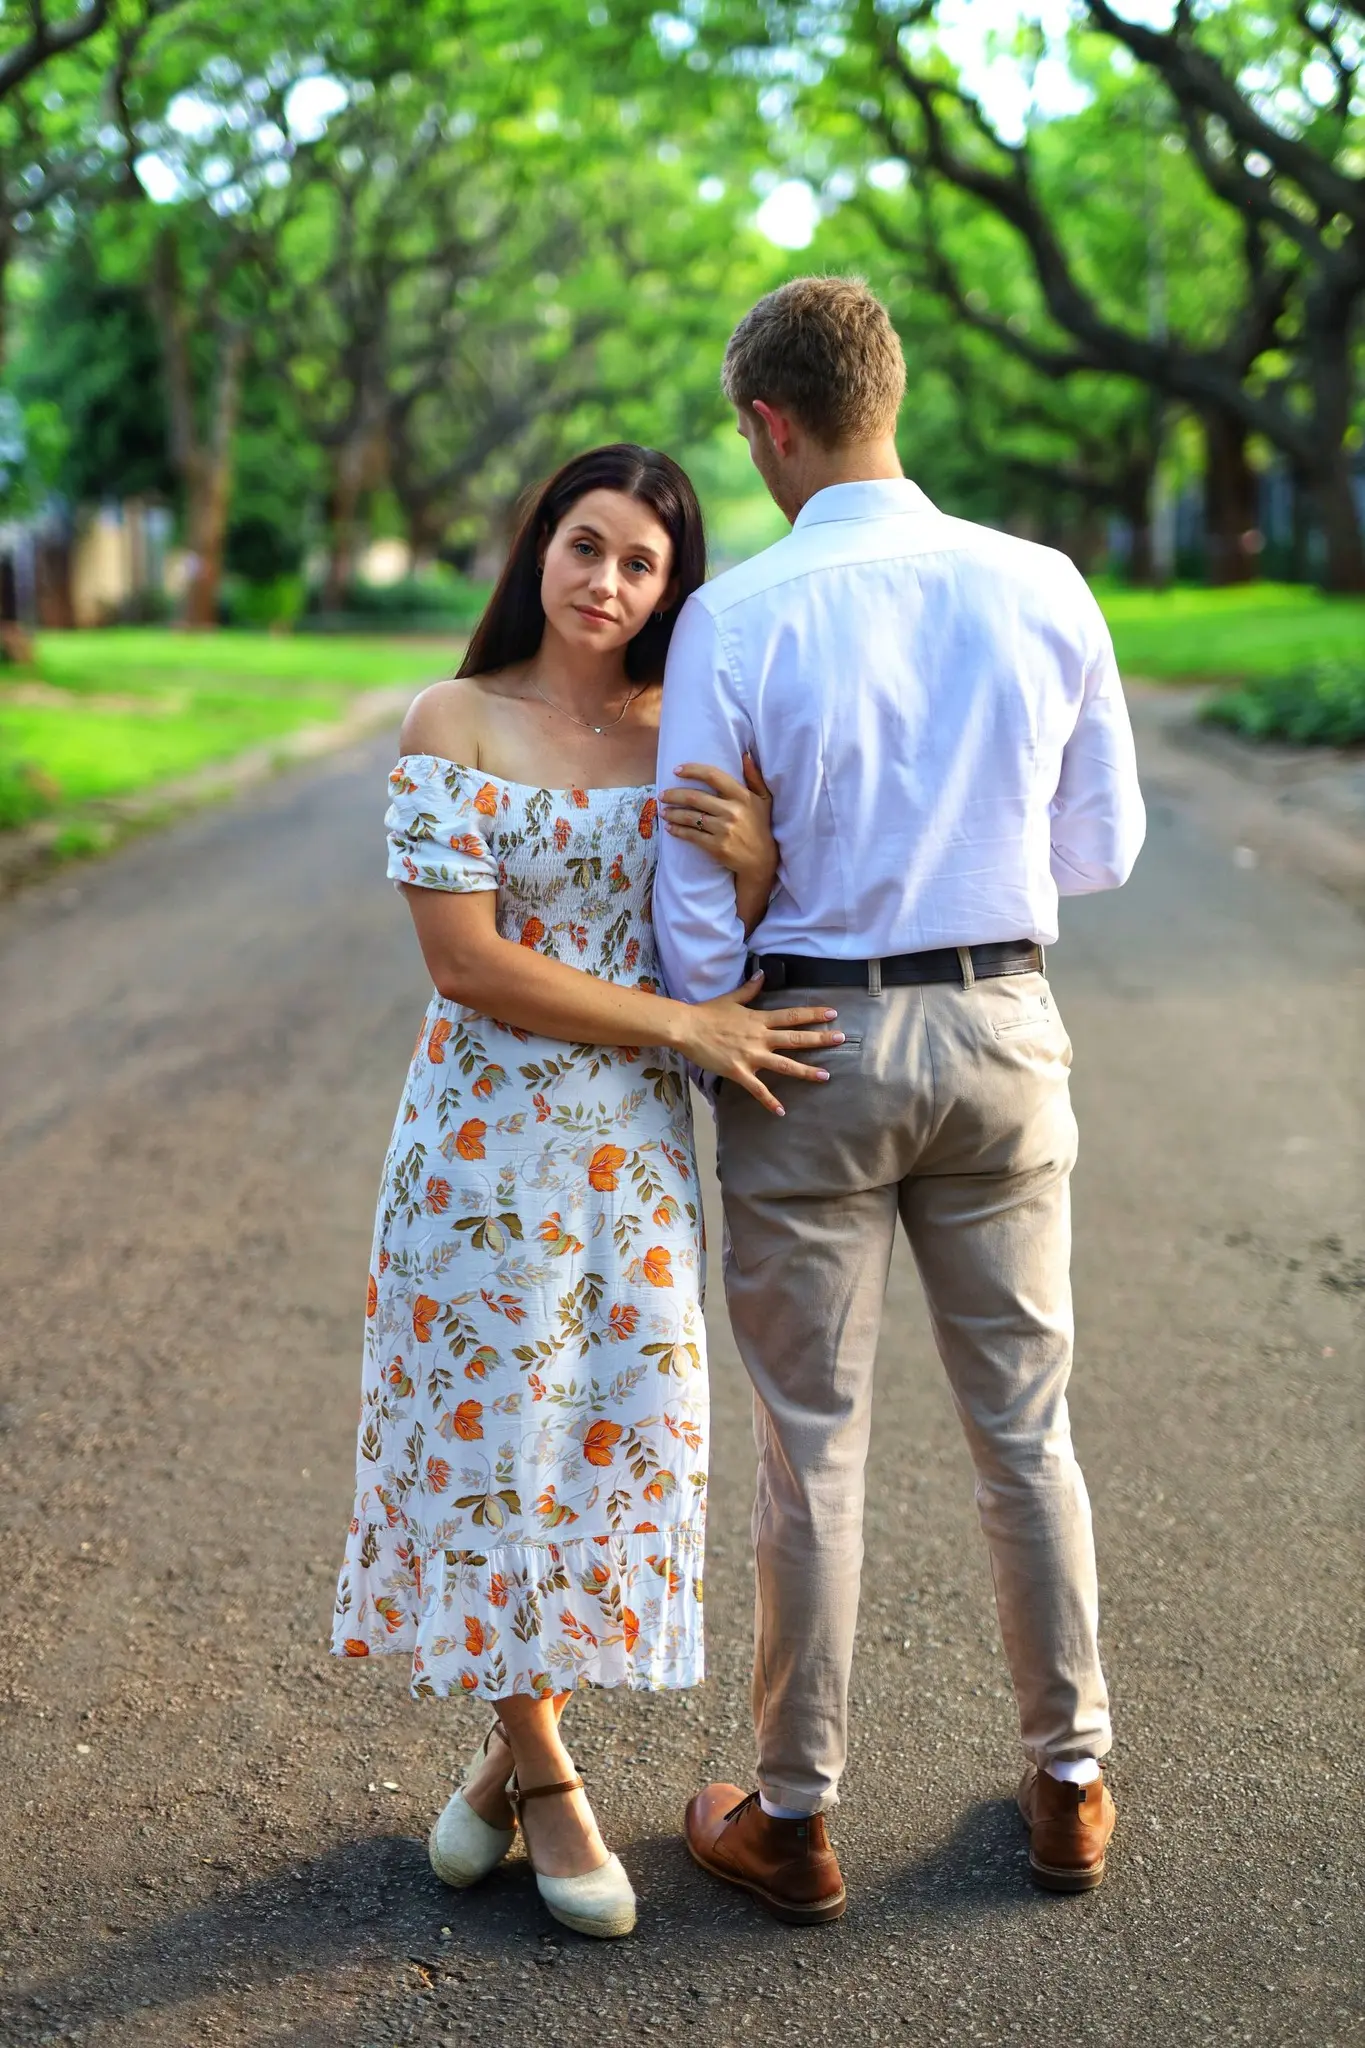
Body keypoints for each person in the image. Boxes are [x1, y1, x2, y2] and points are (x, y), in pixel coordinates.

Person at [653, 278, 1146, 1924]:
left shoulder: (745, 611)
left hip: (811, 1045)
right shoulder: (1041, 582)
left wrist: (785, 889)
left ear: (769, 423)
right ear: (896, 395)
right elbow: (1100, 853)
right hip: (1006, 1029)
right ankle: (1070, 1786)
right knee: (1025, 1429)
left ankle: (793, 1820)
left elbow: (697, 910)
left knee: (815, 1454)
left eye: (748, 432)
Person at [331, 442, 843, 1940]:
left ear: (672, 589)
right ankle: (553, 1784)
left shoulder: (687, 728)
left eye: (642, 564)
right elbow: (467, 962)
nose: (608, 583)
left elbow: (723, 946)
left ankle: (498, 1768)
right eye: (587, 546)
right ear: (537, 545)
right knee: (498, 1457)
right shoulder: (457, 718)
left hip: (632, 1170)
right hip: (480, 1155)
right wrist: (685, 1027)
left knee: (615, 1444)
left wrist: (752, 869)